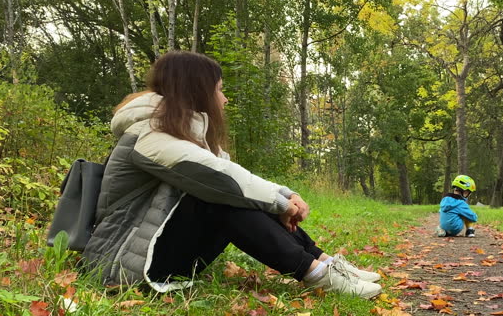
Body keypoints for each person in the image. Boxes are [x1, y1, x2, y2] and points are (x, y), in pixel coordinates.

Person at [81, 51, 382, 299]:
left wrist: (285, 194)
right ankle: (315, 273)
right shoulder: (147, 135)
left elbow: (236, 173)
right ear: (198, 92)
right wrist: (280, 202)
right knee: (219, 197)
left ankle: (323, 262)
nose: (224, 100)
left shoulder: (181, 134)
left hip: (152, 248)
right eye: (219, 90)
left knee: (236, 194)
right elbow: (221, 178)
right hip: (118, 263)